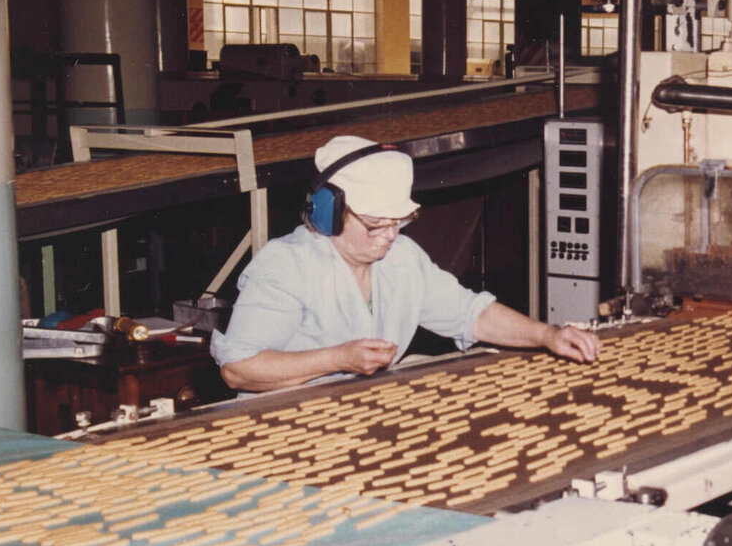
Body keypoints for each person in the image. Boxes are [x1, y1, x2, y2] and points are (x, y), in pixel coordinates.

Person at [212, 136, 599, 392]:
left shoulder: (402, 260)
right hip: (287, 423)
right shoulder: (285, 266)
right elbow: (240, 369)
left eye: (398, 222)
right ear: (329, 211)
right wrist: (338, 358)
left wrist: (546, 335)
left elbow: (469, 314)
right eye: (376, 224)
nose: (390, 235)